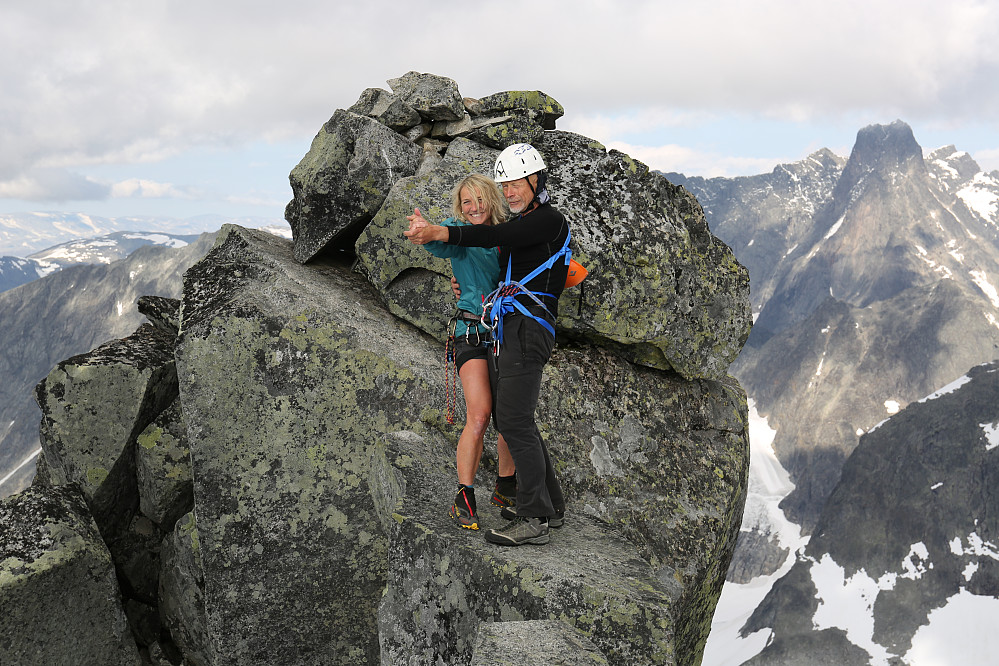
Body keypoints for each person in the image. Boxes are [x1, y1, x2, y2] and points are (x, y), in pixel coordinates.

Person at [406, 143, 569, 546]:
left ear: (536, 180)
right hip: (511, 327)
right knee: (516, 418)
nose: (510, 191)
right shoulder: (531, 223)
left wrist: (438, 231)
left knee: (513, 421)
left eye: (516, 183)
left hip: (524, 329)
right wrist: (461, 280)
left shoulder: (546, 220)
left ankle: (534, 516)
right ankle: (552, 506)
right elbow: (490, 255)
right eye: (506, 185)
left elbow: (492, 234)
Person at [415, 173, 517, 531]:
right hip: (470, 334)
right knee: (480, 413)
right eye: (466, 202)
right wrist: (425, 230)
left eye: (479, 200)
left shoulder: (506, 237)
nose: (474, 208)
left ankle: (506, 488)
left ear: (492, 199)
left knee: (510, 417)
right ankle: (464, 494)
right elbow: (440, 241)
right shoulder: (459, 234)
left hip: (505, 335)